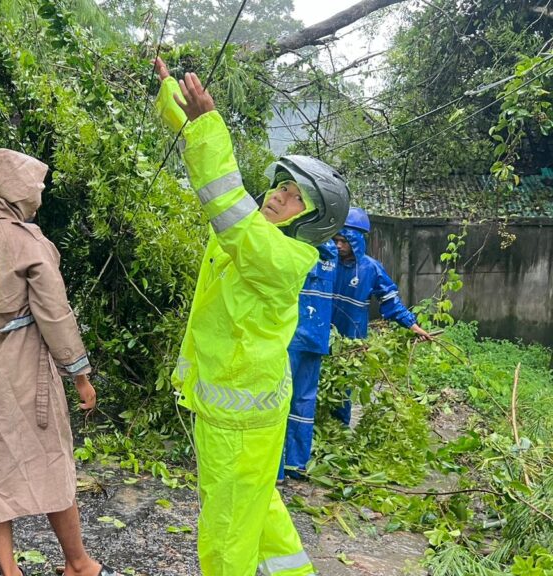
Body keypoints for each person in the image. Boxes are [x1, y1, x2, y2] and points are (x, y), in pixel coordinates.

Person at [154, 58, 350, 575]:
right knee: (256, 507)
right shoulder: (261, 238)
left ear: (312, 222)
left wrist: (207, 123)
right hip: (244, 412)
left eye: (295, 198)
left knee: (226, 534)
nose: (279, 197)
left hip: (237, 420)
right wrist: (177, 100)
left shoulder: (280, 256)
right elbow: (221, 183)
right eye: (282, 187)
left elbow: (223, 197)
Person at [0, 148, 121, 576]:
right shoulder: (29, 244)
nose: (39, 196)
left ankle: (10, 571)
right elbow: (55, 316)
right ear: (17, 191)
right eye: (35, 187)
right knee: (52, 466)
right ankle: (78, 563)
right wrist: (80, 375)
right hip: (24, 377)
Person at [331, 207, 432, 425]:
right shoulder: (325, 263)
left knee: (342, 386)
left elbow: (390, 301)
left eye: (344, 241)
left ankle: (338, 429)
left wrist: (412, 325)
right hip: (321, 335)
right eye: (336, 240)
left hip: (351, 341)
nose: (338, 245)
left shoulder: (371, 269)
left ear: (357, 241)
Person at [279, 239, 338, 483]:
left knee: (279, 400)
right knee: (304, 400)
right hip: (316, 338)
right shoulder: (331, 254)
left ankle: (276, 468)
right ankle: (296, 464)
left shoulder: (293, 245)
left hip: (290, 337)